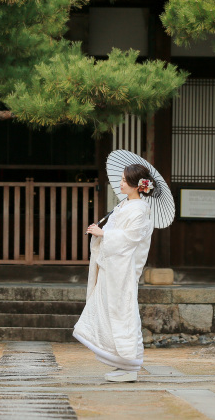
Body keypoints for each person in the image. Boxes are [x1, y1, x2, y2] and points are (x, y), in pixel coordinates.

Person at [72, 163, 156, 383]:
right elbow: (115, 233)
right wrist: (100, 232)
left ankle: (129, 363)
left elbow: (130, 240)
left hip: (122, 270)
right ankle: (121, 362)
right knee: (108, 311)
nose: (120, 183)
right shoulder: (124, 206)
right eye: (121, 179)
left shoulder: (139, 209)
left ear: (139, 185)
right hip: (112, 268)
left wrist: (104, 234)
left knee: (122, 313)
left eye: (125, 180)